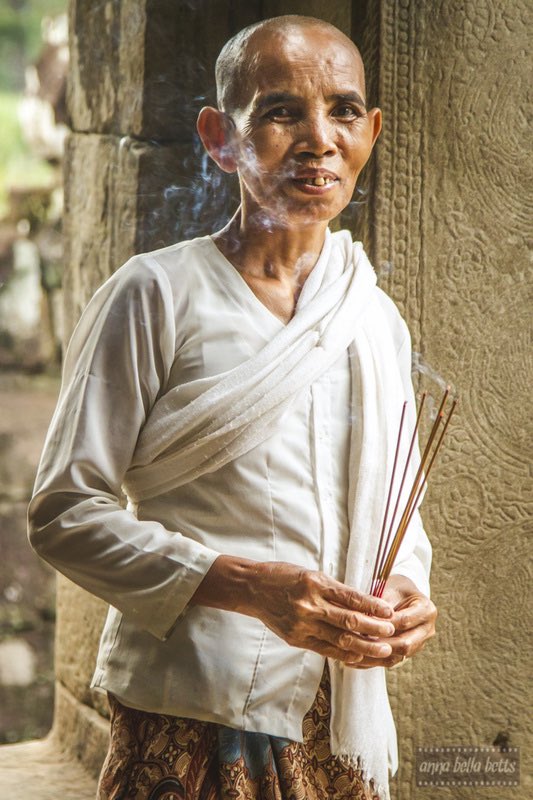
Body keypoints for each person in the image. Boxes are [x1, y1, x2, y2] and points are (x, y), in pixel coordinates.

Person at [28, 14, 437, 800]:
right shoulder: (156, 295)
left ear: (372, 132)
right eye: (281, 111)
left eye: (343, 110)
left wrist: (406, 595)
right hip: (193, 704)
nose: (318, 138)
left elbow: (398, 508)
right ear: (220, 137)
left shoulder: (371, 316)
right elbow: (64, 515)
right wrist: (248, 586)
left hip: (337, 720)